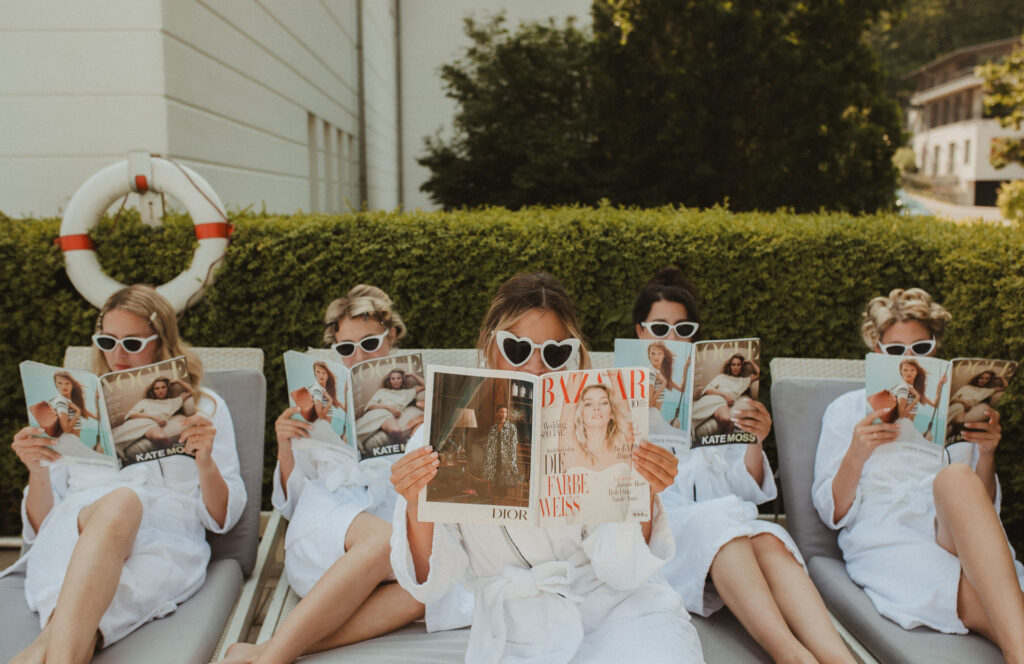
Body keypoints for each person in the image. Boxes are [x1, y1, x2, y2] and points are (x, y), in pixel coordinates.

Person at [389, 272, 704, 663]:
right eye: (517, 349)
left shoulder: (601, 421)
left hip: (620, 612)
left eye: (555, 353)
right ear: (490, 348)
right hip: (517, 631)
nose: (536, 368)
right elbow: (434, 585)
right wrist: (417, 505)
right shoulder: (436, 436)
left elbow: (622, 572)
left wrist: (646, 492)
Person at [221, 285, 469, 664]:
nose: (358, 357)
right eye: (346, 349)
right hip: (328, 524)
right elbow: (292, 503)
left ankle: (263, 651)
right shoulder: (315, 400)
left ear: (392, 337)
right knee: (386, 542)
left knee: (428, 590)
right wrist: (285, 447)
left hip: (395, 527)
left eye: (369, 343)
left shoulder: (427, 393)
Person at [6, 284, 245, 663]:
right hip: (74, 532)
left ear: (161, 341)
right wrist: (36, 472)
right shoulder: (70, 409)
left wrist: (204, 461)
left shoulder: (205, 407)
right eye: (107, 340)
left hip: (165, 543)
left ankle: (41, 650)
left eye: (132, 343)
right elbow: (40, 526)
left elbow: (221, 519)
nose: (117, 354)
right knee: (121, 501)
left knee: (87, 608)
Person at [635, 267, 853, 663]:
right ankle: (793, 657)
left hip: (725, 518)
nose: (671, 337)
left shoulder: (711, 388)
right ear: (640, 332)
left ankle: (839, 658)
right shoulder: (615, 391)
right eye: (660, 327)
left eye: (683, 329)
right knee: (720, 526)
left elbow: (746, 486)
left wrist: (755, 440)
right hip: (665, 527)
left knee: (768, 537)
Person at [813, 287, 1024, 661]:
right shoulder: (846, 410)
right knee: (992, 597)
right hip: (887, 533)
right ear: (877, 350)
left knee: (958, 476)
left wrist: (987, 453)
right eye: (895, 350)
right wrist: (858, 451)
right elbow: (834, 513)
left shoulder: (953, 408)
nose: (908, 359)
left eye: (921, 349)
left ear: (935, 349)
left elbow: (985, 510)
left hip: (951, 526)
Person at [112, 376, 196, 459]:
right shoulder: (146, 402)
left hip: (152, 424)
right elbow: (131, 414)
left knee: (161, 438)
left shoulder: (174, 402)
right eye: (157, 388)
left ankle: (175, 459)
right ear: (153, 391)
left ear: (168, 388)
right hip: (143, 420)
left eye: (163, 387)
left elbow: (191, 392)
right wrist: (153, 417)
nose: (160, 391)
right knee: (114, 439)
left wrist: (178, 381)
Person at [560, 381, 634, 472]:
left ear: (612, 413)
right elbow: (569, 401)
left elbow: (616, 378)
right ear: (581, 414)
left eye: (604, 402)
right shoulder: (570, 449)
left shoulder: (623, 444)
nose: (596, 408)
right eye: (588, 404)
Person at [691, 353, 759, 436]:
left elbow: (758, 374)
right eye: (733, 365)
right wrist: (724, 395)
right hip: (713, 398)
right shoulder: (721, 377)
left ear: (742, 367)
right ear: (730, 366)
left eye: (738, 365)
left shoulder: (744, 381)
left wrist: (751, 362)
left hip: (722, 403)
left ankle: (724, 445)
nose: (736, 367)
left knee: (726, 419)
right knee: (692, 415)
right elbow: (707, 390)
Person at [357, 368, 425, 447]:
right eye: (393, 379)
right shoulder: (382, 391)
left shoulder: (407, 392)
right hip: (379, 411)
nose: (396, 381)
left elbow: (425, 385)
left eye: (398, 378)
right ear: (389, 381)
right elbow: (370, 405)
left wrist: (412, 375)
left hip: (389, 415)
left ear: (402, 380)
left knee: (396, 432)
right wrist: (388, 407)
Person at [48, 370, 104, 459]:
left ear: (72, 385)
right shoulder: (61, 402)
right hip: (68, 443)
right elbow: (66, 429)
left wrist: (98, 400)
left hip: (73, 443)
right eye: (60, 383)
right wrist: (77, 413)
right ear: (55, 384)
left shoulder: (70, 401)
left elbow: (93, 416)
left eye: (67, 383)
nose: (63, 386)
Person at [304, 361, 347, 446]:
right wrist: (330, 401)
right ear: (314, 373)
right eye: (318, 372)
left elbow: (344, 408)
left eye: (324, 373)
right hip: (321, 430)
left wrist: (346, 392)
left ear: (328, 375)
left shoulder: (325, 391)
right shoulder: (317, 390)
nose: (321, 375)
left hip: (324, 430)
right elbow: (320, 415)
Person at [483, 404, 519, 500]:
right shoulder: (493, 429)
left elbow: (513, 446)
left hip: (506, 460)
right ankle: (495, 501)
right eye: (501, 412)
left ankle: (502, 502)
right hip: (494, 459)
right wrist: (488, 460)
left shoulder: (512, 428)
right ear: (497, 413)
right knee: (494, 483)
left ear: (507, 414)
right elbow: (489, 446)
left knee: (504, 484)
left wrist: (511, 461)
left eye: (505, 412)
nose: (503, 414)